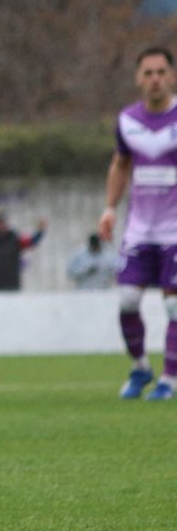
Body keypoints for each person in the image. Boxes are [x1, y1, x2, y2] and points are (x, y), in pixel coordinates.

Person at [99, 46, 177, 400]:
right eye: (148, 73)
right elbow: (120, 164)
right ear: (138, 79)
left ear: (172, 76)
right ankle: (141, 367)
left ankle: (170, 379)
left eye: (161, 72)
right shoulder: (128, 121)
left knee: (174, 305)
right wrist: (109, 208)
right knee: (128, 300)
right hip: (138, 229)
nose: (155, 79)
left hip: (174, 231)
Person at [0, 211, 46, 292]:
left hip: (11, 285)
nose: (0, 226)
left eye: (2, 223)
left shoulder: (14, 239)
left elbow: (31, 241)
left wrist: (40, 231)